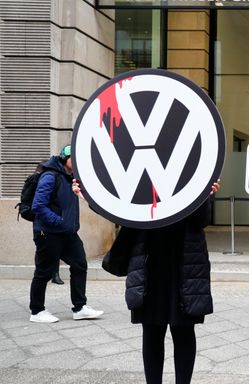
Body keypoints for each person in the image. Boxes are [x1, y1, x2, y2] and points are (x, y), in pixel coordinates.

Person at [104, 179, 219, 384]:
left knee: (183, 330)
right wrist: (88, 194)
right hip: (149, 261)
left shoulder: (195, 174)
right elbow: (119, 208)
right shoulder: (141, 175)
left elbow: (202, 220)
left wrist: (206, 194)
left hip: (184, 262)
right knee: (151, 329)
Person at [28, 144, 103, 323]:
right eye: (74, 159)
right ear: (65, 159)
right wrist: (58, 221)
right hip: (50, 233)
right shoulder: (50, 176)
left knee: (80, 265)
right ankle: (37, 311)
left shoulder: (70, 178)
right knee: (44, 272)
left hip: (68, 233)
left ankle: (79, 307)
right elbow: (38, 205)